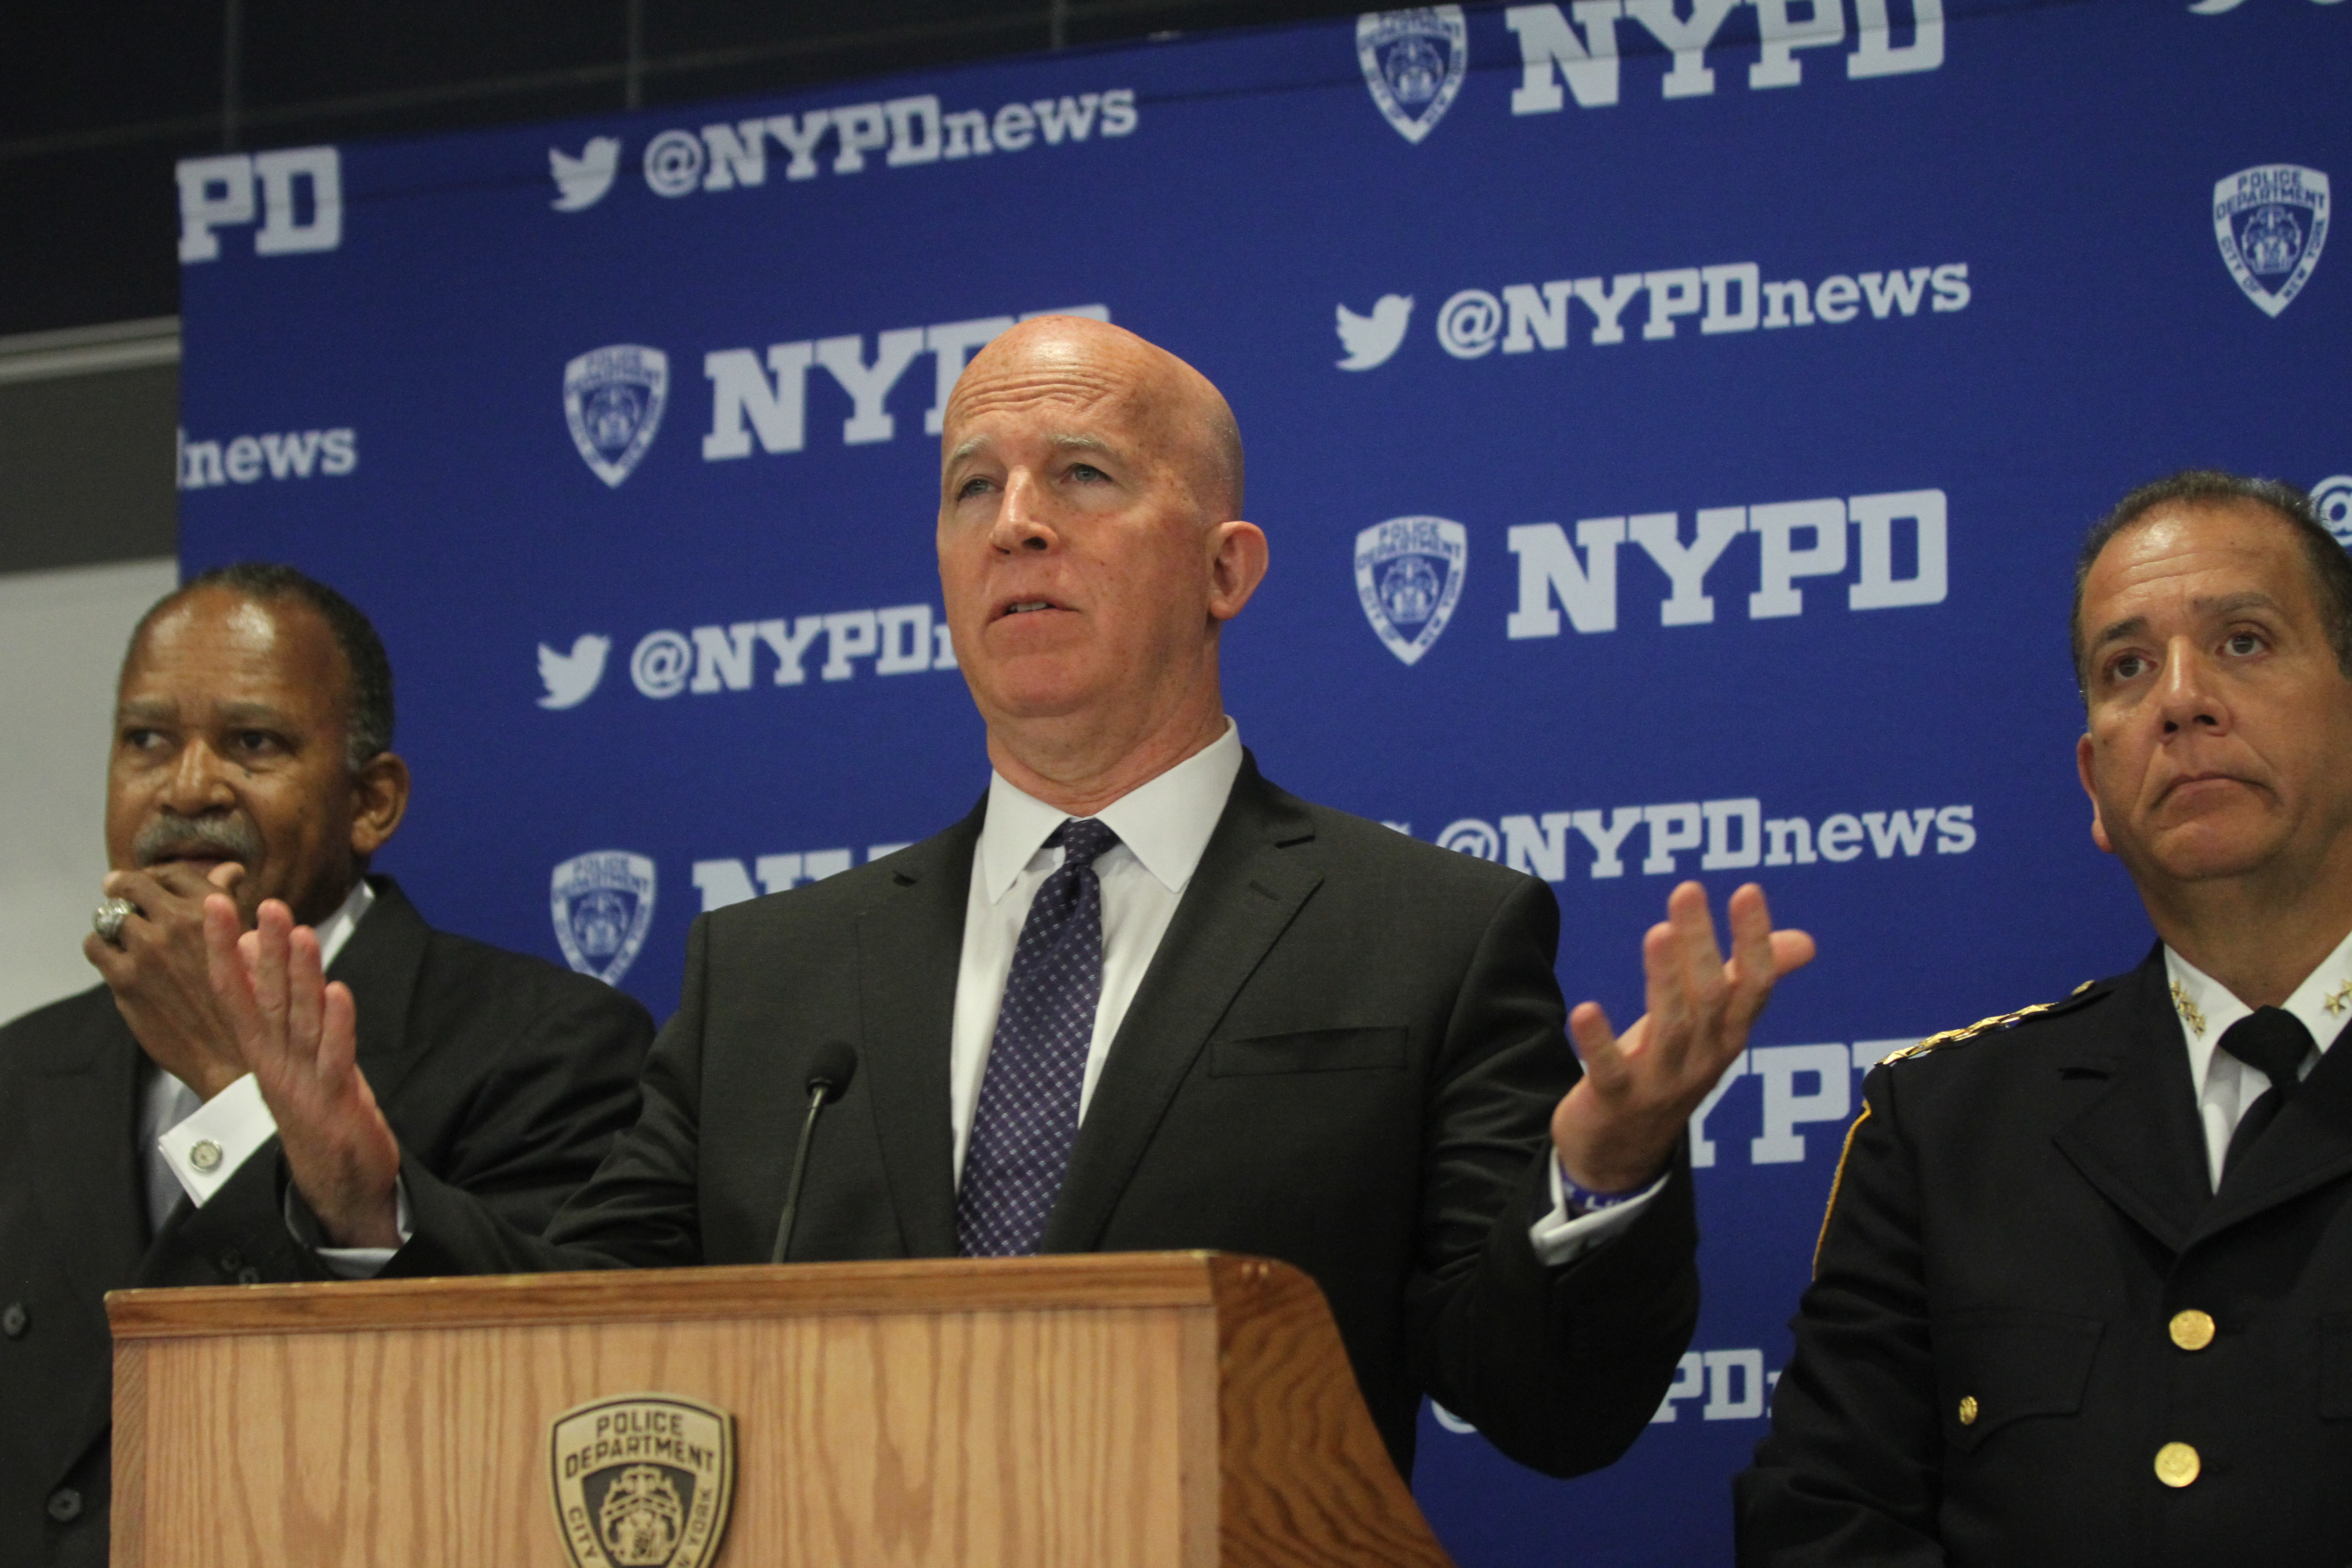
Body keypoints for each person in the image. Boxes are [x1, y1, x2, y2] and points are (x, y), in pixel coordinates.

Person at [211, 317, 1814, 1480]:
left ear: (1228, 567)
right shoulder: (773, 970)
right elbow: (587, 1341)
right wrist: (368, 1199)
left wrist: (1598, 1174)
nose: (1018, 519)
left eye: (1085, 474)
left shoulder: (1424, 936)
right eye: (972, 485)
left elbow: (1549, 1408)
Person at [1738, 471, 2352, 1565]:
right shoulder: (1946, 1126)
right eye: (2126, 668)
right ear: (2093, 787)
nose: (2180, 699)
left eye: (2245, 643)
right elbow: (1825, 1527)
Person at [0, 565, 655, 1568]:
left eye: (253, 743)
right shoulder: (22, 1067)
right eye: (147, 741)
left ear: (373, 803)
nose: (187, 787)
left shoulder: (548, 1045)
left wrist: (231, 1086)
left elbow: (548, 1395)